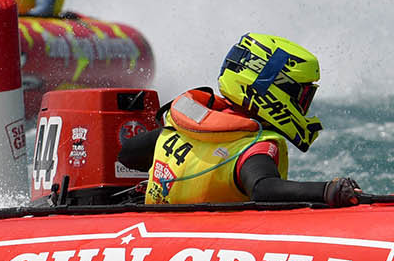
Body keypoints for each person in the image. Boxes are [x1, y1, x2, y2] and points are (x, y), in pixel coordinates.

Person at [121, 32, 362, 207]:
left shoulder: (184, 123)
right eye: (302, 97)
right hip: (209, 244)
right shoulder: (254, 144)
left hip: (157, 233)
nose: (303, 106)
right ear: (271, 88)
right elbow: (263, 188)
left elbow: (127, 154)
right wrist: (327, 190)